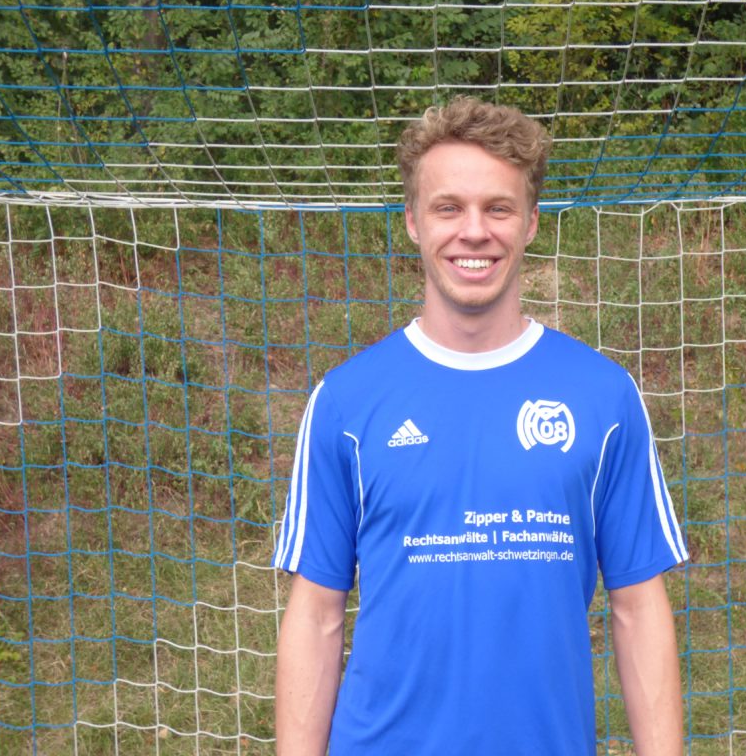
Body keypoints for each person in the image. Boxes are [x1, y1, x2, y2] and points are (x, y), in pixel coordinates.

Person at [273, 96, 688, 756]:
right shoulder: (345, 402)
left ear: (531, 222)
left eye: (498, 208)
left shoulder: (603, 396)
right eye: (449, 208)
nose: (474, 232)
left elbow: (637, 607)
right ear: (413, 221)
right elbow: (318, 614)